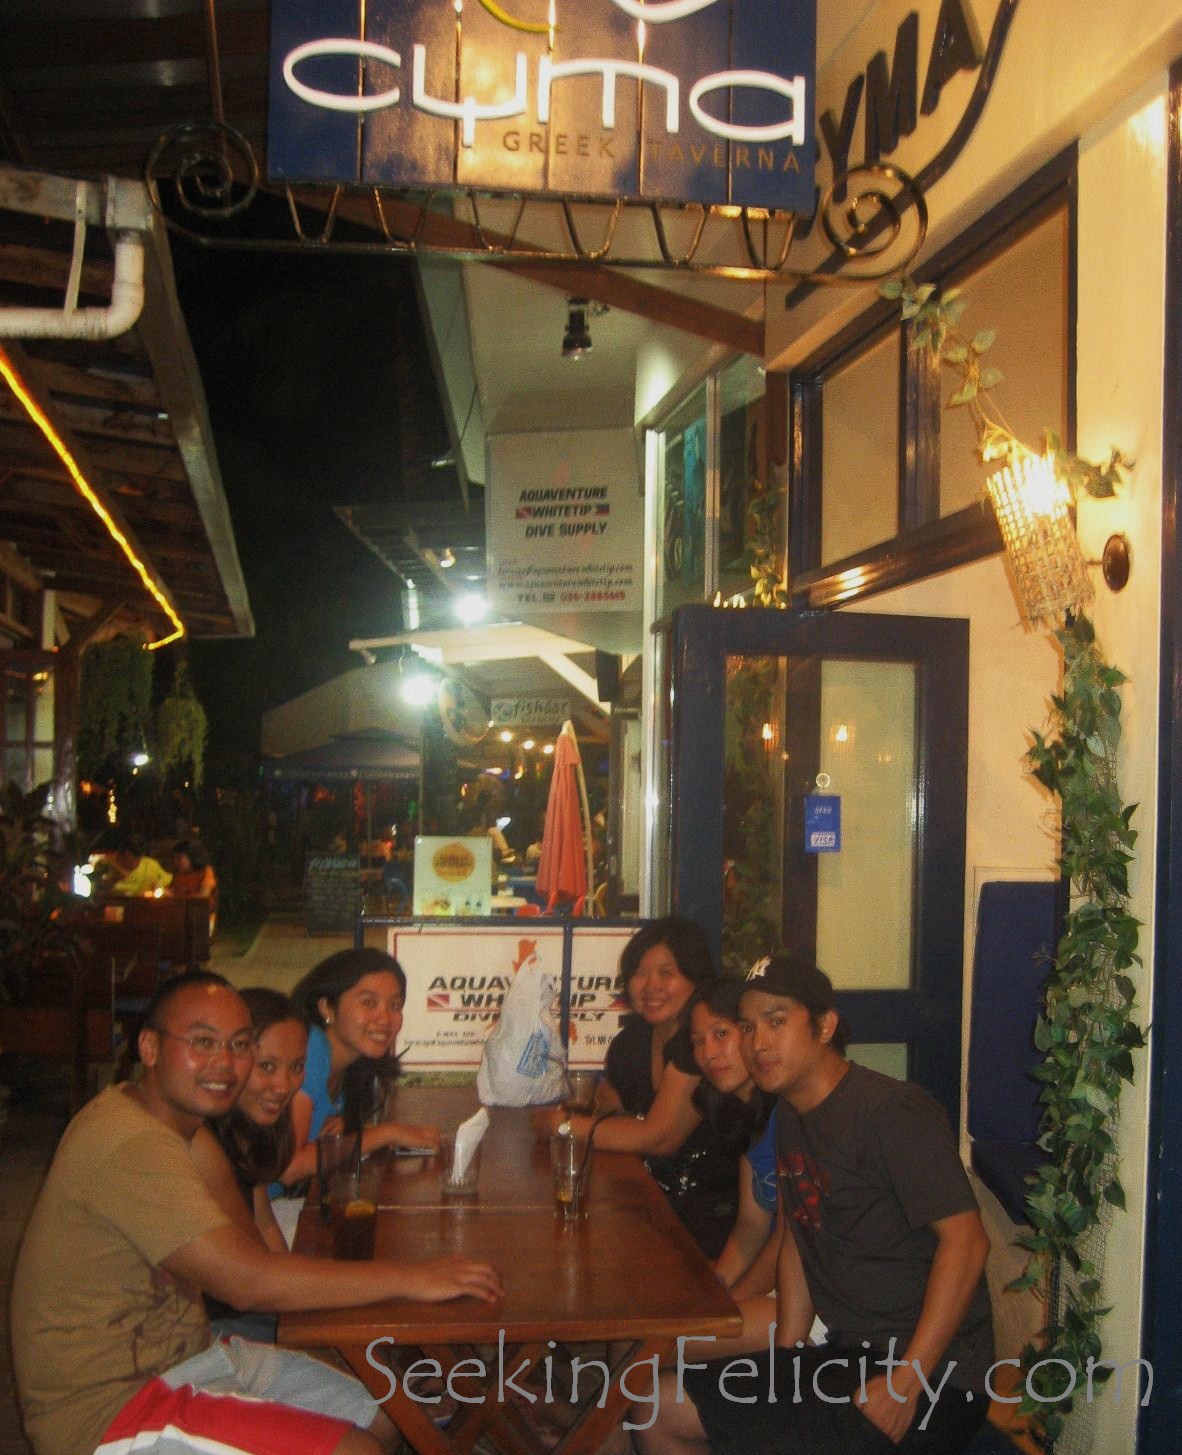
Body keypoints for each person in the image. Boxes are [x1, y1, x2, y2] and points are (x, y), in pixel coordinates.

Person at [11, 970, 503, 1455]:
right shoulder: (129, 1143)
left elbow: (257, 1252)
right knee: (356, 1450)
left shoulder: (186, 1130)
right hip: (111, 1408)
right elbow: (246, 1282)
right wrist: (409, 1277)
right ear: (150, 1047)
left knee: (389, 1415)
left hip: (194, 1358)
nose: (225, 1063)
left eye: (240, 1045)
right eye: (203, 1042)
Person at [639, 953, 993, 1455]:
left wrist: (907, 1380)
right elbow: (798, 1239)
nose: (757, 1043)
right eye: (747, 1027)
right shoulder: (790, 1115)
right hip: (845, 1355)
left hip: (934, 1378)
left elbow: (968, 1242)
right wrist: (785, 1357)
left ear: (824, 1027)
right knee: (657, 1407)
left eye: (776, 1021)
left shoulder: (892, 1110)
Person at [535, 916, 742, 1258]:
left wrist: (565, 1125)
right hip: (647, 1208)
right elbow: (612, 1103)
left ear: (696, 980)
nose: (651, 986)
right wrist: (582, 1102)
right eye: (640, 973)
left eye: (666, 973)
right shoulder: (632, 1041)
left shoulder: (701, 1047)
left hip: (708, 1225)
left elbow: (658, 1137)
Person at [191, 987, 309, 1339]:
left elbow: (265, 1225)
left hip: (245, 1304)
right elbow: (255, 1273)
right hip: (208, 1325)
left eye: (296, 1067)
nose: (284, 1085)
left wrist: (301, 1301)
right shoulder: (201, 1141)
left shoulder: (250, 1129)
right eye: (267, 1067)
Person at [277, 948, 438, 1190]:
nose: (385, 1018)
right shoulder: (312, 1047)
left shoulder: (352, 1064)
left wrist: (343, 1136)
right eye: (369, 1003)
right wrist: (385, 1134)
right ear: (327, 1008)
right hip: (263, 1206)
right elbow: (290, 1168)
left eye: (395, 1005)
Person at [685, 978, 783, 1359]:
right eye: (697, 1041)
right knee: (646, 1310)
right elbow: (751, 1226)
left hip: (810, 1298)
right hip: (771, 1287)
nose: (708, 1053)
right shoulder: (747, 1115)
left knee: (649, 1338)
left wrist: (727, 1306)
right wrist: (717, 1288)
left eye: (721, 1033)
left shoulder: (790, 1113)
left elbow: (789, 1242)